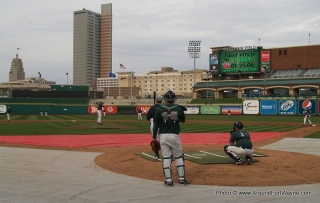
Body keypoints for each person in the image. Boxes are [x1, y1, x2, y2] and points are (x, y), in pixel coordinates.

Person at [153, 90, 188, 187]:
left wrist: (154, 137)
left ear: (165, 99)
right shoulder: (179, 108)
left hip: (163, 136)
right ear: (174, 99)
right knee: (179, 156)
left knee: (166, 157)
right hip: (174, 135)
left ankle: (169, 180)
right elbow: (183, 120)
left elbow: (156, 124)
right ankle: (181, 179)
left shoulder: (159, 109)